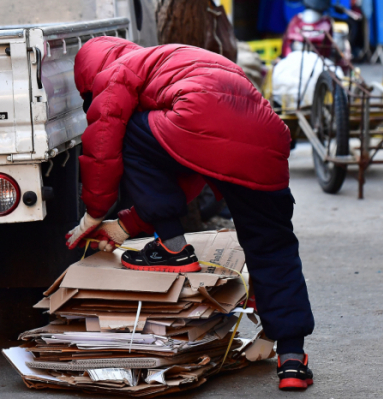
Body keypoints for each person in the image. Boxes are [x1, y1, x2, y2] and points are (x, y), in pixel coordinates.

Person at [64, 36, 314, 390]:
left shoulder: (114, 72)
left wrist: (94, 211)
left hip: (198, 123)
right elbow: (193, 167)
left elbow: (103, 140)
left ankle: (173, 248)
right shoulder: (172, 61)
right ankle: (291, 356)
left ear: (88, 75)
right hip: (268, 138)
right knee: (273, 246)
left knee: (125, 132)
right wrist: (126, 225)